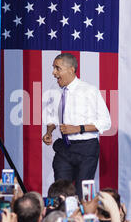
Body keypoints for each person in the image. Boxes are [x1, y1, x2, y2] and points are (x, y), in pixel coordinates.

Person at [42, 53, 111, 199]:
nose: (53, 73)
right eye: (53, 68)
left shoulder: (89, 91)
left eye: (57, 68)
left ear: (71, 70)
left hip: (86, 149)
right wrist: (49, 132)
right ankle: (62, 219)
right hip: (64, 149)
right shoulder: (54, 90)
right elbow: (51, 117)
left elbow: (105, 122)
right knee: (60, 192)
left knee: (83, 194)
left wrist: (78, 128)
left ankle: (83, 220)